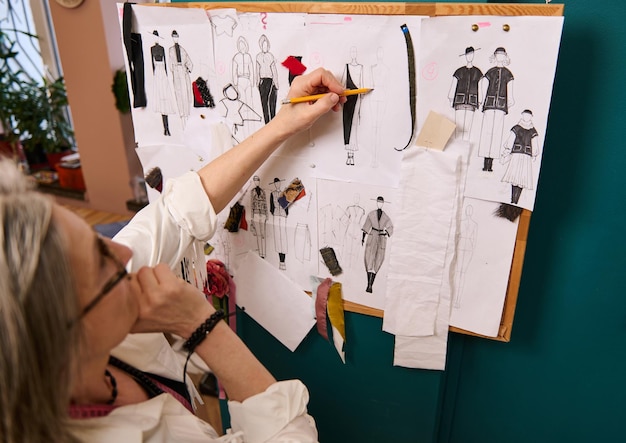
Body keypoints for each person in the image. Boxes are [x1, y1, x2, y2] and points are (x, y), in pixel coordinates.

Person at [0, 67, 346, 443]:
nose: (122, 252)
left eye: (98, 238)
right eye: (104, 263)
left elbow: (178, 211)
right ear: (66, 336)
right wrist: (203, 327)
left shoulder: (86, 324)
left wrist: (282, 125)